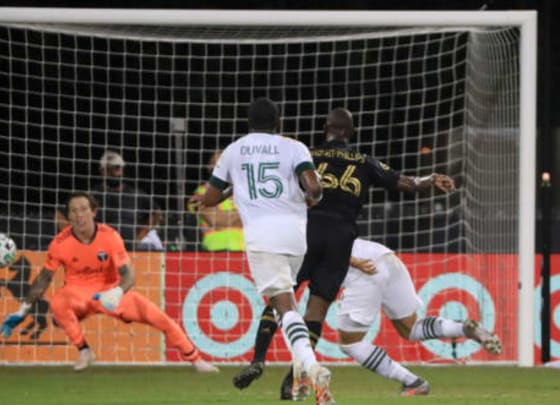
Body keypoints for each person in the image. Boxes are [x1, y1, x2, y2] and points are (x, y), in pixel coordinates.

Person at [233, 107, 456, 396]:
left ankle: (258, 358)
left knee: (281, 296)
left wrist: (230, 191)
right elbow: (404, 182)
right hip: (340, 241)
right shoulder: (364, 161)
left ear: (325, 128)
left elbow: (266, 182)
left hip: (305, 233)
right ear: (350, 133)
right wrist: (431, 179)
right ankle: (295, 377)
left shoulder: (306, 154)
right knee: (317, 308)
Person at [234, 238, 502, 398]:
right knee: (410, 328)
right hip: (385, 256)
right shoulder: (312, 230)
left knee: (350, 342)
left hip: (363, 268)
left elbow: (287, 306)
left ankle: (414, 382)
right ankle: (463, 327)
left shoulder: (297, 256)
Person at [200, 97, 334, 405]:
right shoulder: (294, 146)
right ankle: (301, 371)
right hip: (296, 237)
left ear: (248, 123)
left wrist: (235, 186)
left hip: (263, 238)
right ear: (278, 123)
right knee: (285, 306)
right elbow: (313, 188)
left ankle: (312, 368)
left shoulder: (234, 150)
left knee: (284, 307)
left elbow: (209, 197)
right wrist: (314, 195)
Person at [0, 191, 218, 373]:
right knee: (57, 302)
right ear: (68, 216)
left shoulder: (110, 236)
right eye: (74, 211)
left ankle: (197, 360)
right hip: (79, 294)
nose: (79, 215)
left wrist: (118, 291)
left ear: (94, 212)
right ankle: (84, 351)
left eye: (84, 209)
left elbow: (129, 274)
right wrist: (22, 310)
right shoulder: (59, 243)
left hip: (112, 293)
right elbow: (44, 279)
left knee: (160, 318)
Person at [187, 150, 244, 251]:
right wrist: (245, 216)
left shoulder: (245, 191)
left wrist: (225, 219)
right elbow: (215, 220)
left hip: (247, 252)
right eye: (219, 164)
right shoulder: (201, 193)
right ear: (209, 167)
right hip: (216, 253)